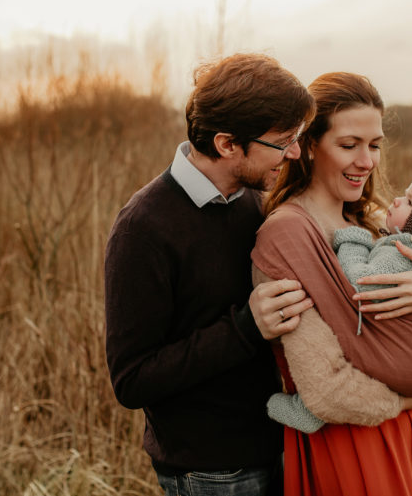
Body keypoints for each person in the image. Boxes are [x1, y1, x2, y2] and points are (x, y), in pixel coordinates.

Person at [251, 72, 412, 495]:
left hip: (400, 434)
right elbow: (325, 388)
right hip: (344, 443)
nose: (368, 161)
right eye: (349, 145)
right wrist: (408, 401)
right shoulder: (287, 234)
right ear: (309, 146)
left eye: (375, 145)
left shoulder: (376, 217)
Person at [104, 53, 318, 496]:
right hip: (210, 472)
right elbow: (132, 379)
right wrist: (246, 327)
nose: (295, 153)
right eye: (283, 141)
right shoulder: (142, 229)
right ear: (227, 144)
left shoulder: (253, 201)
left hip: (278, 446)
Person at [265, 171, 412, 434]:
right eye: (349, 144)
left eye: (410, 202)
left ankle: (309, 410)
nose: (396, 201)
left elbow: (359, 284)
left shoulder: (401, 252)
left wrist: (353, 243)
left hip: (403, 377)